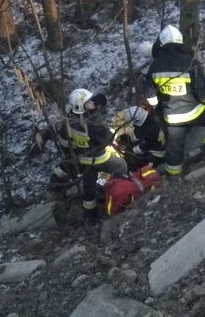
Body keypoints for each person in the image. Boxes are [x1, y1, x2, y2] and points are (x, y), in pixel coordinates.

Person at [144, 25, 205, 176]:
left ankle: (174, 176)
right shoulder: (190, 63)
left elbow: (151, 96)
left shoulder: (154, 67)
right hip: (195, 113)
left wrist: (161, 111)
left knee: (174, 148)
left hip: (172, 118)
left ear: (161, 44)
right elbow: (204, 94)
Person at [63, 88, 127, 219]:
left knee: (89, 186)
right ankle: (117, 194)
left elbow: (64, 142)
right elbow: (107, 139)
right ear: (81, 106)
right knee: (121, 165)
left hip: (81, 158)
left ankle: (90, 214)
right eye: (89, 102)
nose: (92, 102)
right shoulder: (92, 122)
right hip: (97, 158)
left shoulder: (69, 119)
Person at [113, 105, 166, 171]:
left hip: (155, 155)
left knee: (131, 161)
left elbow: (143, 146)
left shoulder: (150, 130)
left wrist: (129, 150)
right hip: (150, 146)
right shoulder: (146, 121)